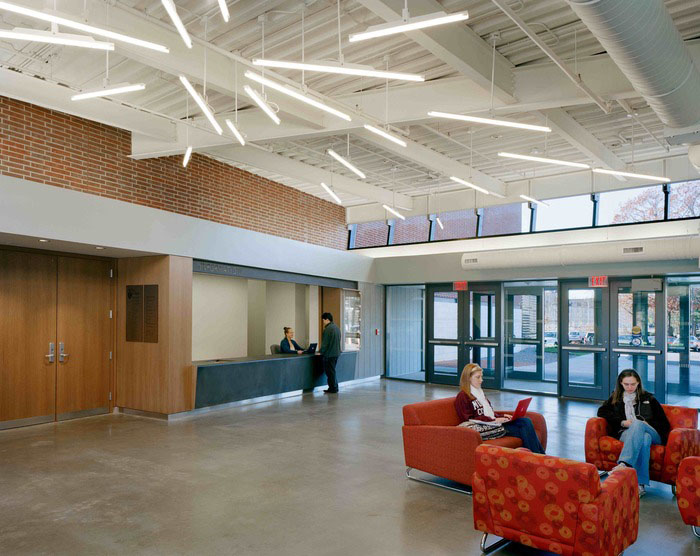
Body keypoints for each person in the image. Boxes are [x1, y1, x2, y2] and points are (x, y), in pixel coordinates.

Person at [597, 369, 670, 497]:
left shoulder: (649, 398)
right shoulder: (615, 397)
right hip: (627, 433)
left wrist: (647, 425)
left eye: (633, 384)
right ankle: (640, 485)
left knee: (639, 425)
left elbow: (664, 424)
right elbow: (602, 412)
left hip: (653, 434)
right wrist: (622, 422)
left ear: (638, 383)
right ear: (621, 383)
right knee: (644, 439)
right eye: (626, 384)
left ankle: (624, 463)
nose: (630, 387)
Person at [454, 363, 544, 454]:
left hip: (493, 423)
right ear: (468, 378)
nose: (481, 380)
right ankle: (539, 457)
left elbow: (488, 412)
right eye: (478, 377)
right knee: (524, 429)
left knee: (525, 421)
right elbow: (468, 419)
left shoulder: (479, 393)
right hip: (487, 427)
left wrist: (501, 416)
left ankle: (538, 457)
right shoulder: (463, 396)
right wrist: (494, 420)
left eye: (481, 377)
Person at [320, 312, 341, 394]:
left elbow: (325, 343)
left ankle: (333, 388)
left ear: (327, 319)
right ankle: (334, 387)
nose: (323, 322)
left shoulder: (328, 329)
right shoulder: (336, 327)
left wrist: (321, 351)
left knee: (330, 372)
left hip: (329, 354)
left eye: (323, 320)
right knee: (332, 371)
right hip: (336, 353)